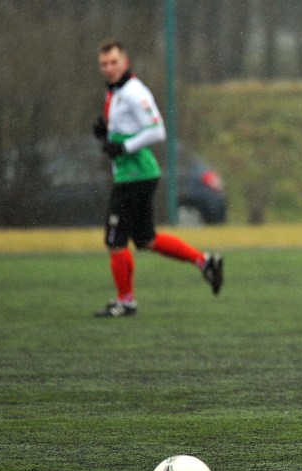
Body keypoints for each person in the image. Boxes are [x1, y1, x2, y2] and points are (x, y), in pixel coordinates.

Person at [93, 40, 223, 318]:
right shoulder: (115, 92)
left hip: (135, 176)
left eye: (114, 62)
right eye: (104, 64)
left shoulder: (133, 91)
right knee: (146, 239)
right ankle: (204, 262)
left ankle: (126, 302)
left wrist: (124, 147)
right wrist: (108, 135)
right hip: (135, 174)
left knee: (115, 240)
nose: (109, 68)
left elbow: (157, 130)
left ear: (125, 63)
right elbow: (127, 130)